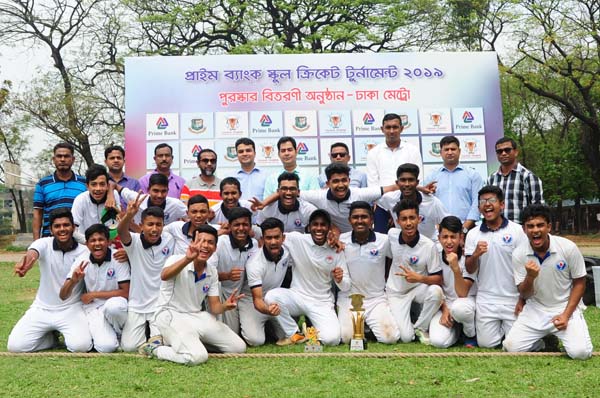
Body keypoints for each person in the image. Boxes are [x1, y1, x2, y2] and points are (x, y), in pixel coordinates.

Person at [139, 225, 246, 365]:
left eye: (210, 242)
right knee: (197, 357)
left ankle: (185, 341)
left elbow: (215, 308)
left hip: (196, 316)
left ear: (215, 248)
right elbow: (164, 276)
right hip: (170, 314)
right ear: (192, 243)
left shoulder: (212, 271)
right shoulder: (176, 259)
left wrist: (225, 306)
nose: (205, 245)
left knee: (238, 347)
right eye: (200, 240)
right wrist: (188, 259)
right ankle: (154, 349)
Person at [503, 204, 593, 360]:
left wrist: (565, 315)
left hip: (564, 307)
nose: (535, 230)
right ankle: (544, 342)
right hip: (536, 308)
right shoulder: (519, 254)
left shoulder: (568, 247)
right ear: (524, 230)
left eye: (540, 225)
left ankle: (567, 333)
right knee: (511, 348)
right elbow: (524, 293)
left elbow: (580, 283)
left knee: (581, 353)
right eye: (530, 226)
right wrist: (530, 277)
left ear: (549, 227)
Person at [7, 208, 92, 353]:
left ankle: (60, 335)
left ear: (73, 227)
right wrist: (26, 263)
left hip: (71, 308)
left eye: (66, 225)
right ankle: (50, 339)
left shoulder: (84, 251)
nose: (62, 229)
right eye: (57, 226)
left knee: (80, 346)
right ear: (51, 230)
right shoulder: (44, 243)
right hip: (42, 308)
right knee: (15, 347)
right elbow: (33, 252)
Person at [265, 209, 350, 346]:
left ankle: (312, 333)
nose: (319, 228)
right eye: (315, 224)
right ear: (309, 227)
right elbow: (273, 236)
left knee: (331, 340)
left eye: (323, 225)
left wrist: (339, 279)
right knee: (271, 297)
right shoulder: (296, 239)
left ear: (329, 228)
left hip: (321, 302)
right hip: (297, 296)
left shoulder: (336, 250)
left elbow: (346, 285)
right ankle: (294, 334)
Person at [465, 185, 527, 348]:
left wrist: (522, 299)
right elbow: (470, 269)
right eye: (483, 201)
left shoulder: (517, 231)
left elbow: (525, 268)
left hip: (512, 297)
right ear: (479, 207)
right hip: (486, 299)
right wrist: (476, 254)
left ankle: (538, 339)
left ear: (502, 205)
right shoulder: (473, 234)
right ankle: (501, 333)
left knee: (515, 346)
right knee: (486, 344)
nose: (487, 204)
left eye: (491, 200)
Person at [117, 193, 175, 352]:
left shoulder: (170, 239)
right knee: (129, 348)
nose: (155, 229)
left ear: (163, 225)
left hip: (161, 304)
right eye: (150, 224)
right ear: (141, 225)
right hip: (137, 304)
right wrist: (129, 215)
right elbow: (121, 231)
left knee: (165, 342)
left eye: (158, 224)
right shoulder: (134, 242)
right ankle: (150, 339)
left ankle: (155, 338)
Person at [59, 224, 130, 353]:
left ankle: (121, 334)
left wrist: (93, 295)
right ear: (87, 244)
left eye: (101, 240)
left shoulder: (118, 258)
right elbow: (63, 295)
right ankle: (102, 336)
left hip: (116, 304)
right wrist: (73, 281)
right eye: (92, 240)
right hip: (94, 309)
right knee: (106, 347)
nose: (97, 244)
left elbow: (125, 292)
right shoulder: (82, 260)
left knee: (114, 307)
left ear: (109, 241)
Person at [338, 201, 400, 344]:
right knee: (348, 338)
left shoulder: (384, 240)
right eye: (355, 217)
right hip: (349, 299)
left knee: (390, 338)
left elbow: (397, 259)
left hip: (375, 299)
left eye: (364, 217)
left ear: (371, 220)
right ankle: (363, 328)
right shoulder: (341, 240)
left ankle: (368, 326)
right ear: (349, 220)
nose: (360, 221)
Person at [386, 199, 443, 345]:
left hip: (418, 288)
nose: (408, 223)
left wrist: (419, 278)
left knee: (436, 292)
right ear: (397, 221)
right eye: (404, 219)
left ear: (419, 219)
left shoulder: (429, 245)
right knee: (405, 338)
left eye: (412, 218)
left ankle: (420, 327)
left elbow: (438, 279)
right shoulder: (392, 235)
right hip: (396, 292)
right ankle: (411, 326)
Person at [291, 163, 398, 233]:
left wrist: (414, 187)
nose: (341, 185)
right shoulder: (318, 196)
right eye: (336, 181)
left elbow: (392, 188)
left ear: (349, 181)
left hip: (356, 239)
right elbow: (292, 193)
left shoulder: (360, 194)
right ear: (328, 183)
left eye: (344, 180)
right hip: (332, 239)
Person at [366, 113, 423, 233]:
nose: (391, 131)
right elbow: (373, 187)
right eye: (388, 127)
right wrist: (390, 209)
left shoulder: (412, 150)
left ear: (401, 128)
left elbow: (417, 181)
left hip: (408, 207)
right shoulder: (373, 153)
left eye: (395, 127)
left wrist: (399, 208)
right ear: (382, 129)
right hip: (382, 208)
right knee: (382, 245)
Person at [207, 207, 259, 335]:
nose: (241, 228)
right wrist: (227, 276)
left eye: (245, 224)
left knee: (233, 333)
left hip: (239, 295)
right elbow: (207, 274)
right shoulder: (220, 243)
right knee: (215, 285)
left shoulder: (254, 244)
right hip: (218, 292)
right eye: (236, 225)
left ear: (250, 226)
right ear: (229, 226)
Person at [428, 216, 478, 349]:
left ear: (461, 237)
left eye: (453, 237)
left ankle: (470, 334)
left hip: (466, 303)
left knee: (459, 308)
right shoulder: (435, 251)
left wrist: (456, 269)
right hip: (446, 304)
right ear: (439, 238)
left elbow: (462, 293)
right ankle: (456, 332)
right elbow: (435, 285)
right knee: (438, 341)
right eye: (445, 237)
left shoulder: (468, 256)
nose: (449, 242)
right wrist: (444, 309)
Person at [245, 218, 293, 346]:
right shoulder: (254, 263)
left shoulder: (288, 252)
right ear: (262, 239)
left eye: (277, 237)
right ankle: (265, 326)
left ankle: (270, 327)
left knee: (288, 335)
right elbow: (257, 300)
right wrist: (269, 311)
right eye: (268, 238)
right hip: (252, 301)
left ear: (283, 238)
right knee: (255, 340)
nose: (273, 242)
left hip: (274, 299)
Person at [424, 136, 483, 233]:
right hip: (439, 230)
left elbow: (477, 203)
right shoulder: (432, 176)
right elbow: (427, 203)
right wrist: (437, 227)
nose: (450, 152)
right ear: (441, 153)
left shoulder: (472, 175)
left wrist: (464, 228)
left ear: (459, 151)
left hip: (466, 229)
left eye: (453, 149)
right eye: (446, 149)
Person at [379, 163, 448, 243]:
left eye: (411, 180)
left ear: (417, 182)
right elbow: (365, 195)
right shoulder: (390, 198)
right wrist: (419, 188)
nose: (407, 184)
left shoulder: (432, 201)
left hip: (430, 246)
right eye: (403, 180)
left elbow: (448, 223)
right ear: (397, 183)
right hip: (404, 247)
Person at [33, 142, 87, 240]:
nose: (62, 159)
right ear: (54, 159)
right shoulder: (42, 184)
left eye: (66, 156)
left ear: (73, 159)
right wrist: (36, 243)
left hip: (79, 239)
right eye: (59, 156)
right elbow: (38, 214)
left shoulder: (84, 183)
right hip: (50, 238)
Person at [488, 137, 544, 224]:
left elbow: (538, 209)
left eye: (507, 150)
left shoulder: (528, 177)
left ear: (516, 152)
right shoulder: (491, 179)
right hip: (497, 231)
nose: (503, 153)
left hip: (521, 231)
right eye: (499, 151)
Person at [71, 164, 121, 241]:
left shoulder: (114, 195)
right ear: (87, 186)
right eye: (94, 184)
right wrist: (89, 242)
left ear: (108, 185)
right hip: (86, 245)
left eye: (102, 184)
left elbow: (119, 223)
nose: (98, 188)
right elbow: (73, 230)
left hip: (111, 243)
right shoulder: (80, 200)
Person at [118, 173, 187, 228]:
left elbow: (192, 216)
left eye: (163, 191)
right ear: (148, 190)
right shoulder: (137, 200)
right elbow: (114, 185)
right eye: (155, 191)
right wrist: (110, 196)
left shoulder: (175, 204)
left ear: (168, 191)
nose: (159, 195)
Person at [104, 145, 141, 210]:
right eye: (112, 158)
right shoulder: (101, 182)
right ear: (106, 162)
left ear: (124, 161)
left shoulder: (134, 183)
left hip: (130, 219)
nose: (116, 160)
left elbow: (139, 205)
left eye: (119, 158)